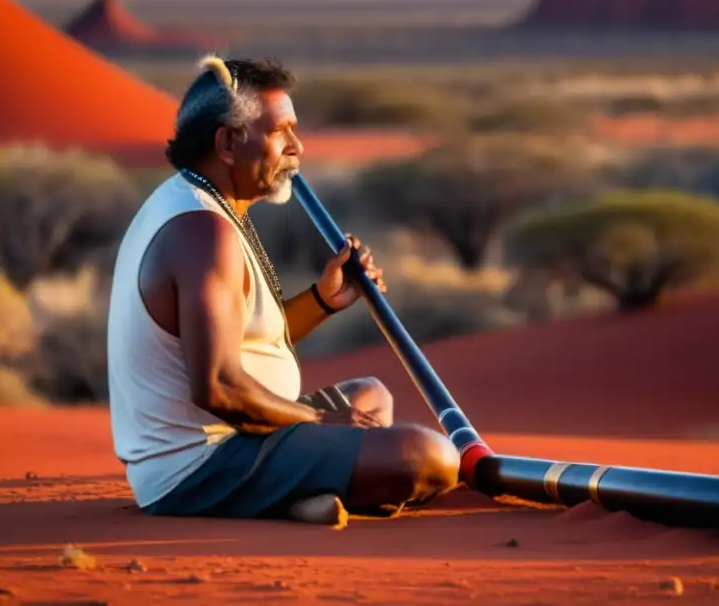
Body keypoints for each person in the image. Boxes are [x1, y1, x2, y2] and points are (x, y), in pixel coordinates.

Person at [106, 54, 460, 526]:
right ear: (228, 143)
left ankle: (297, 497)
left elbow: (240, 343)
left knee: (370, 397)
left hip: (240, 439)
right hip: (201, 467)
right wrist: (315, 422)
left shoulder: (201, 204)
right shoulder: (201, 232)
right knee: (430, 456)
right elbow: (218, 388)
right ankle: (290, 495)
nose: (297, 148)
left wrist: (322, 300)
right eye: (280, 132)